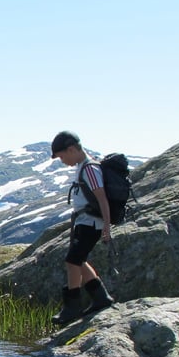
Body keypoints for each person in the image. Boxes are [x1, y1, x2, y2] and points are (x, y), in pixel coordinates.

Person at [50, 131, 115, 326]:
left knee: (72, 261)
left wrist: (107, 227)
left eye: (62, 156)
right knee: (79, 260)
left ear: (71, 149)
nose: (62, 161)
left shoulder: (89, 169)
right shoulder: (82, 167)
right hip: (84, 221)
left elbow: (102, 198)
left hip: (91, 223)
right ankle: (101, 298)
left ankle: (72, 307)